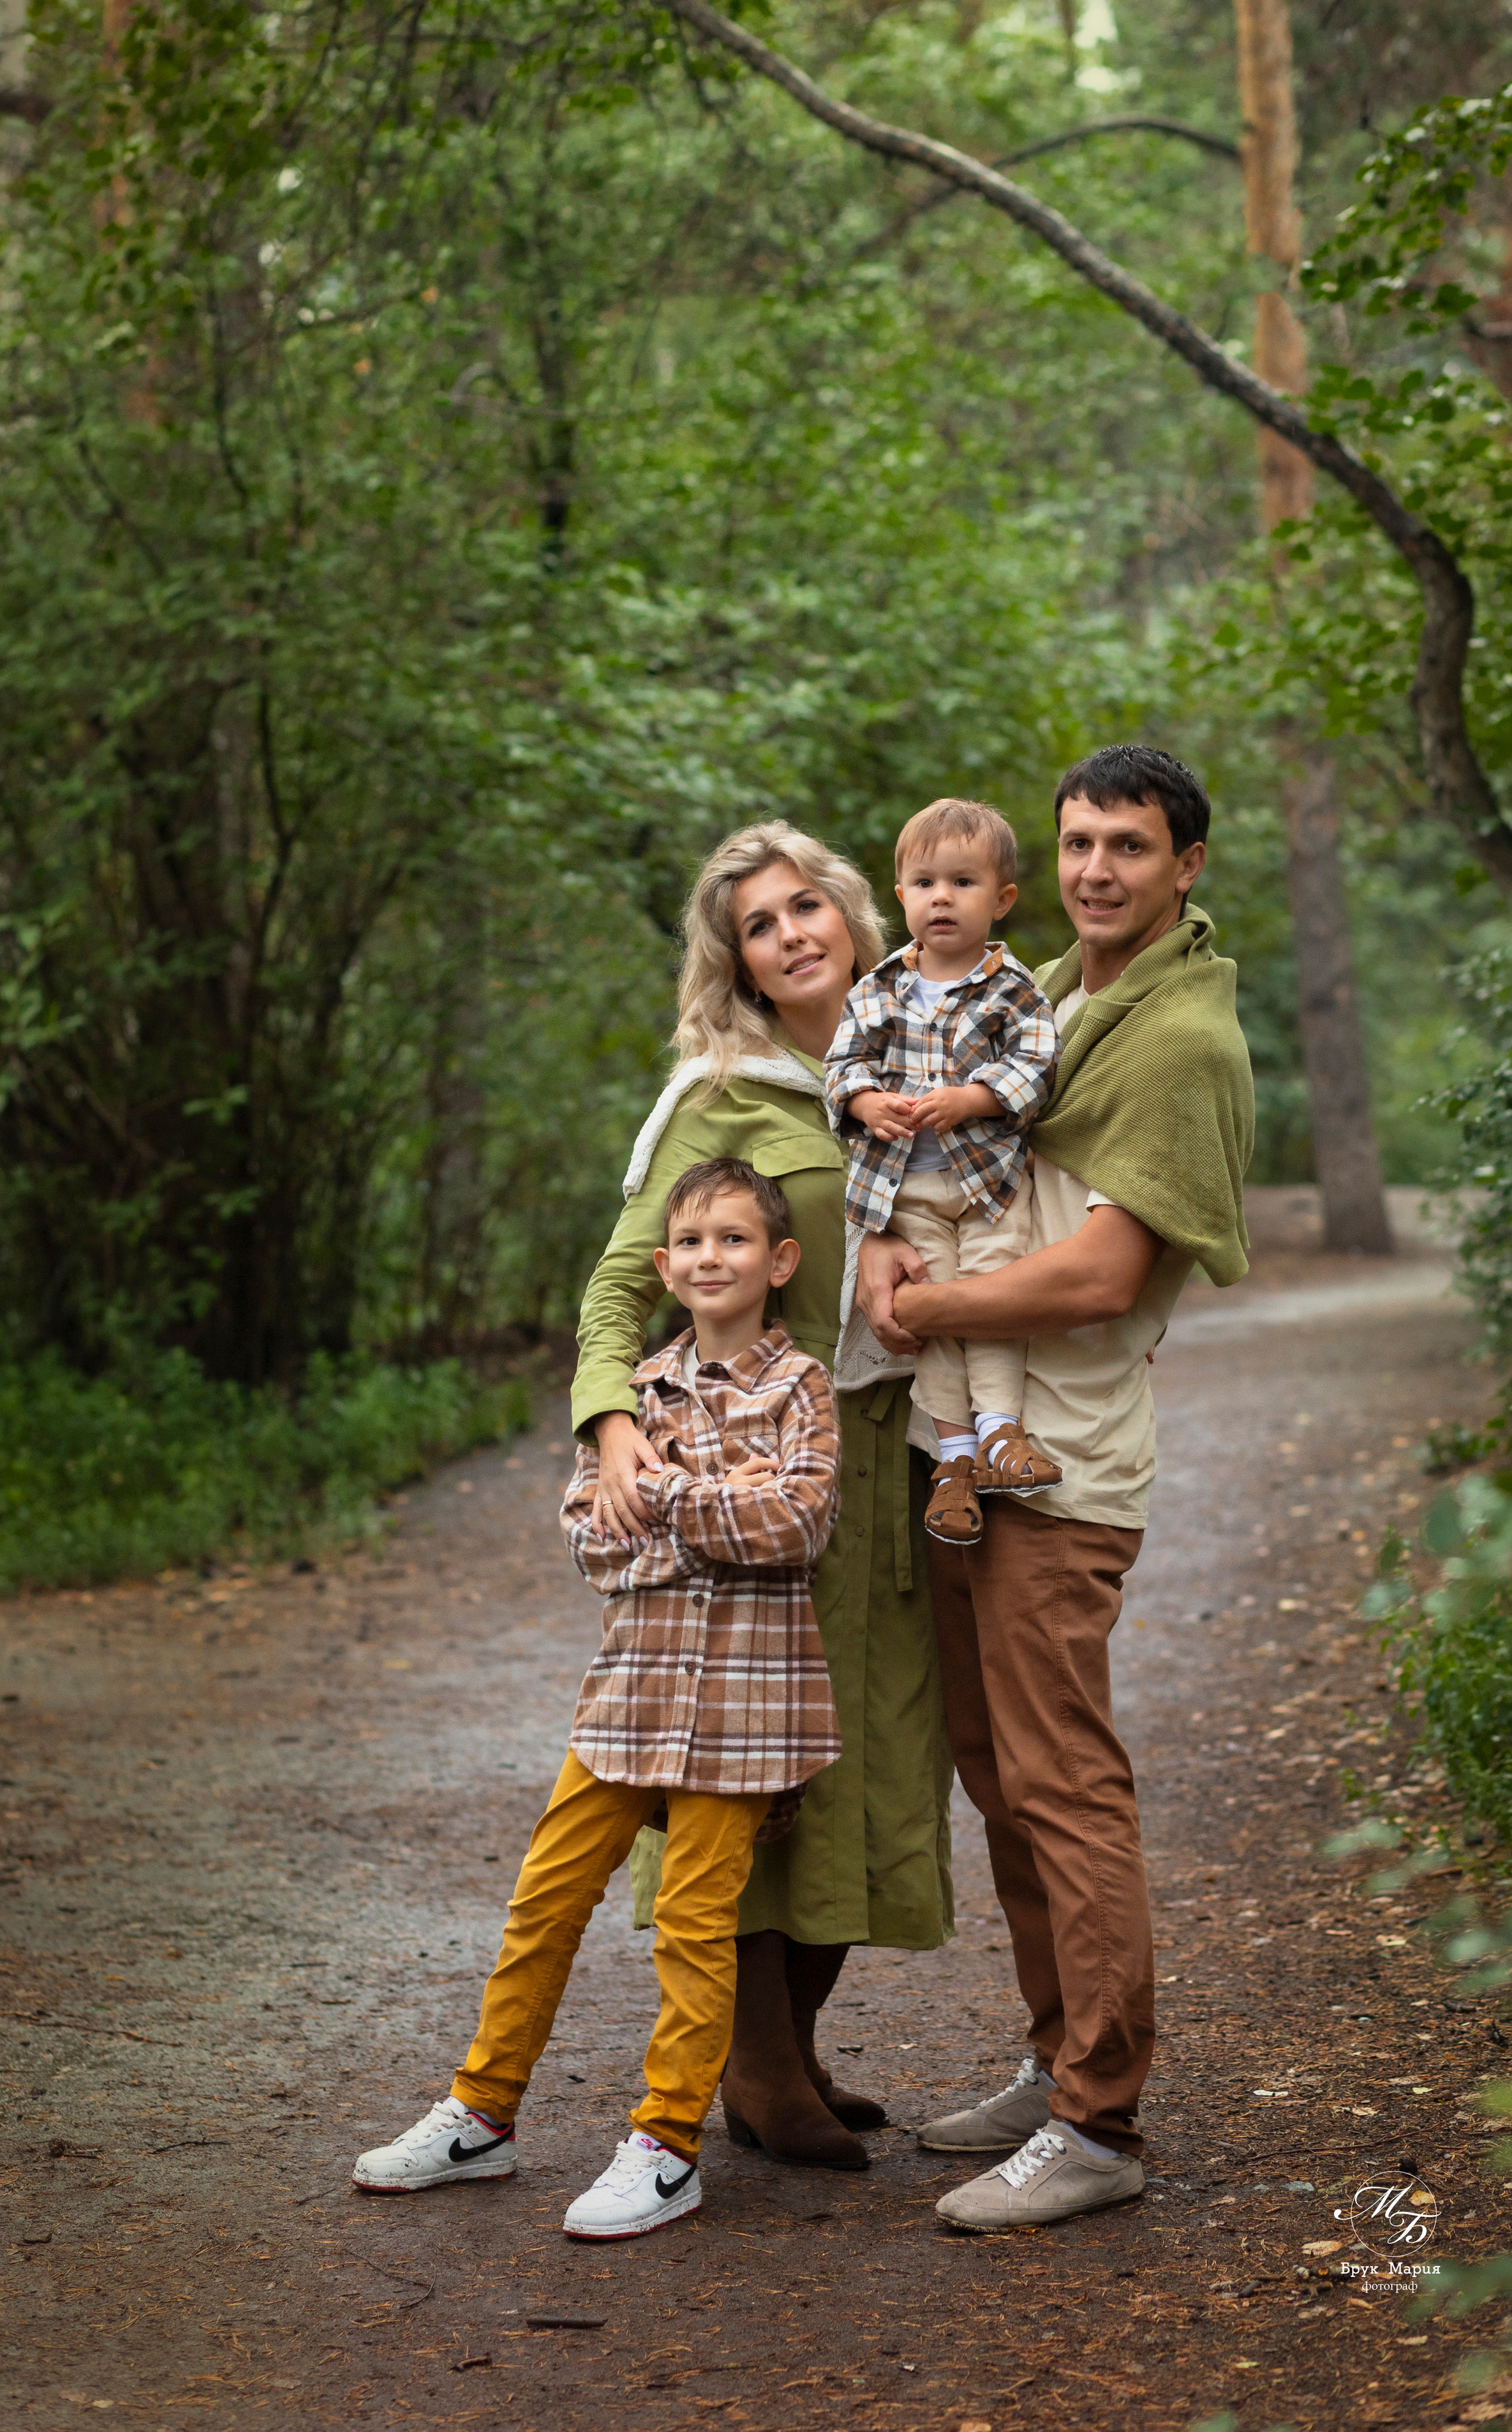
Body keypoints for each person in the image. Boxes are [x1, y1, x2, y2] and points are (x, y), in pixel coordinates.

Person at [856, 745, 1254, 2234]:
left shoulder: (1175, 1039)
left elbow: (1096, 1273)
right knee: (995, 1764)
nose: (1096, 867)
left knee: (1062, 1777)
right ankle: (1054, 2052)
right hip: (970, 1448)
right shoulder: (1065, 1000)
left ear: (1185, 865)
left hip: (1060, 1459)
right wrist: (891, 1243)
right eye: (1079, 840)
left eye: (1129, 847)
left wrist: (925, 1312)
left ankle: (1097, 2118)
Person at [351, 1157, 844, 2239]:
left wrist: (663, 1494)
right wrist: (712, 1506)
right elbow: (591, 1540)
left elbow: (799, 1526)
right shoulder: (634, 1398)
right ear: (665, 1268)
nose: (714, 1257)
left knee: (693, 1922)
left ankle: (668, 2146)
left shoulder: (800, 1387)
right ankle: (481, 2114)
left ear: (780, 1260)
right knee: (545, 1900)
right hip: (627, 1697)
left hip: (744, 1712)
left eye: (737, 1240)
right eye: (695, 1242)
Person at [571, 821, 954, 2172]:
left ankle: (790, 2048)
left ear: (847, 913)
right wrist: (610, 1421)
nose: (791, 934)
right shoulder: (715, 1099)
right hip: (749, 1485)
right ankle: (750, 2067)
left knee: (866, 1759)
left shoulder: (920, 1063)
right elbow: (626, 1282)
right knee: (740, 1762)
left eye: (806, 906)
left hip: (889, 1465)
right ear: (733, 961)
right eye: (758, 924)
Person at [823, 799, 1063, 1549]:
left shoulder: (1014, 989)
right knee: (933, 1320)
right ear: (901, 897)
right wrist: (864, 1101)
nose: (942, 898)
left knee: (986, 1304)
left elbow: (1037, 1064)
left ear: (1002, 900)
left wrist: (976, 1096)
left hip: (988, 1186)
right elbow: (842, 1064)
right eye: (924, 883)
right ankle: (954, 1459)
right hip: (905, 1194)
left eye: (963, 882)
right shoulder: (878, 990)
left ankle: (1001, 1434)